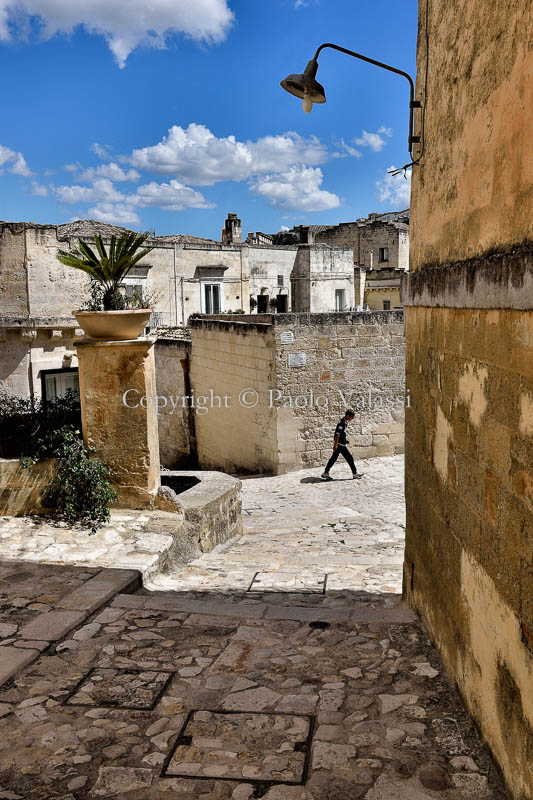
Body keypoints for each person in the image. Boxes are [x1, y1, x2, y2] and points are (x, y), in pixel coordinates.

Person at [321, 409, 364, 481]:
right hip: (340, 445)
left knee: (333, 459)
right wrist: (335, 445)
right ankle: (355, 474)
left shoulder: (344, 423)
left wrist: (345, 440)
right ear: (348, 416)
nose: (352, 419)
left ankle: (326, 472)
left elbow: (341, 434)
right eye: (352, 417)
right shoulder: (342, 424)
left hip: (340, 444)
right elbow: (337, 434)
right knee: (350, 458)